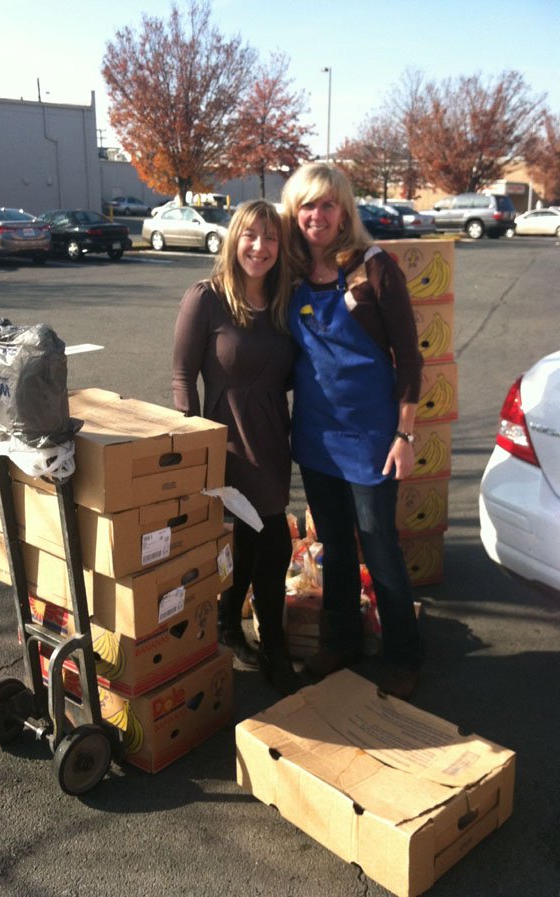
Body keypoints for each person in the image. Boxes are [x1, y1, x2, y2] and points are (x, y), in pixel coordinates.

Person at [282, 162, 423, 699]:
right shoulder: (290, 276)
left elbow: (409, 359)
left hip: (372, 437)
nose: (316, 216)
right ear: (295, 214)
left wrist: (404, 436)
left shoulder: (375, 267)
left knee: (379, 543)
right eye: (306, 206)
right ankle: (341, 641)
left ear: (344, 211)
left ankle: (404, 653)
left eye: (327, 205)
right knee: (335, 544)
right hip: (317, 435)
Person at [172, 199, 300, 696]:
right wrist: (189, 438)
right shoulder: (206, 298)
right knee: (274, 542)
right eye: (251, 235)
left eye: (270, 238)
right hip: (225, 444)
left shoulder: (286, 301)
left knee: (251, 542)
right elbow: (183, 376)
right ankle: (274, 646)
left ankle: (228, 623)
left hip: (272, 442)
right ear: (234, 239)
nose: (260, 247)